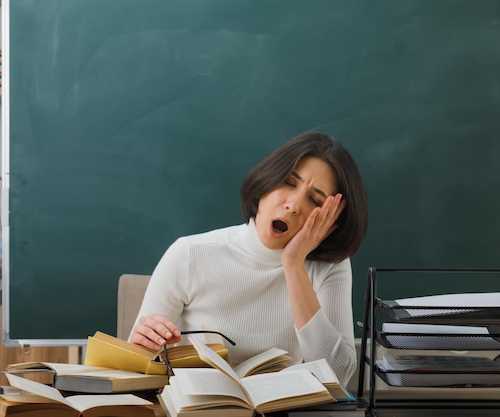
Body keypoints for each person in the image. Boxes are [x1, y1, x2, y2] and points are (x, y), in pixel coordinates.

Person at [129, 131, 368, 386]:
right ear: (267, 181)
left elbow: (338, 375)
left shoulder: (329, 267)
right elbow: (137, 363)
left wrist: (294, 264)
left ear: (329, 220)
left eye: (315, 199)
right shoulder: (188, 253)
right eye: (289, 182)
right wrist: (142, 344)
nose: (294, 205)